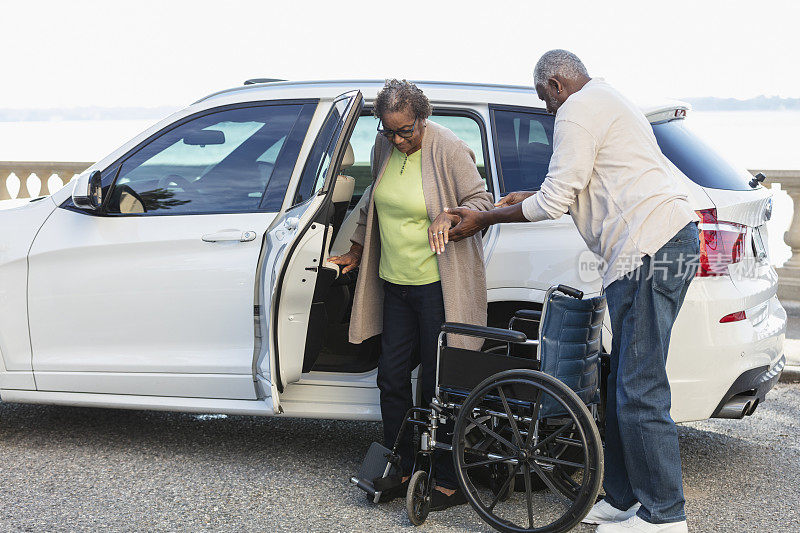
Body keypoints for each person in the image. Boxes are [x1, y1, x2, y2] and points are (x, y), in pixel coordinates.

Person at [445, 50, 698, 533]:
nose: (546, 109)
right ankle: (624, 500)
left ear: (558, 84)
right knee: (622, 383)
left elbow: (556, 200)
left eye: (545, 98)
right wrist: (527, 197)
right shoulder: (603, 97)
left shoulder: (577, 110)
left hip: (650, 249)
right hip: (652, 247)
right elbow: (575, 185)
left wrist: (485, 217)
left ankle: (665, 517)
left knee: (640, 388)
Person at [329, 79, 493, 510]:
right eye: (390, 131)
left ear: (423, 118)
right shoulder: (383, 148)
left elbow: (481, 200)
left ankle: (447, 479)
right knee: (391, 377)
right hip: (395, 284)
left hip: (438, 288)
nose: (399, 140)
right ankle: (400, 466)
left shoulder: (447, 147)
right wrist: (357, 251)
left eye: (407, 131)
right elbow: (371, 204)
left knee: (439, 385)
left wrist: (450, 214)